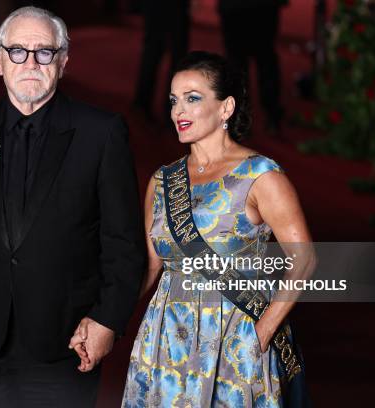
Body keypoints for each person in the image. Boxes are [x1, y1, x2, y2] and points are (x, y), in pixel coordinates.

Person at [0, 6, 146, 407]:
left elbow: (123, 242)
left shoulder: (101, 132)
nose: (30, 62)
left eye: (44, 52)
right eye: (17, 51)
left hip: (66, 340)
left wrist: (108, 320)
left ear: (62, 61)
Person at [121, 51, 314, 407]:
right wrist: (110, 316)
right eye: (174, 100)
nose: (179, 110)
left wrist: (263, 331)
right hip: (165, 336)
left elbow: (304, 260)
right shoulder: (163, 181)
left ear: (226, 108)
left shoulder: (260, 175)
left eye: (193, 99)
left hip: (233, 335)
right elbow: (150, 266)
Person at [218, 0, 289, 133]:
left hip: (236, 8)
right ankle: (271, 114)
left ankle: (240, 117)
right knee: (265, 58)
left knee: (238, 60)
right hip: (262, 7)